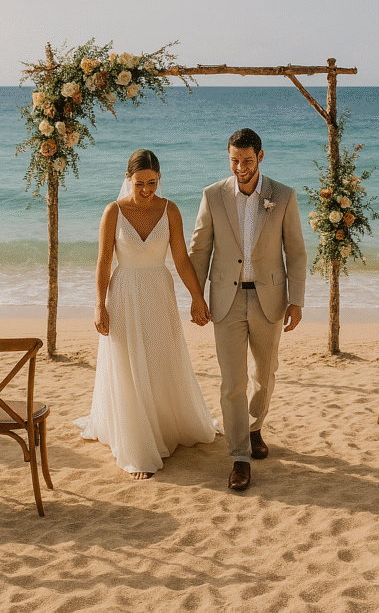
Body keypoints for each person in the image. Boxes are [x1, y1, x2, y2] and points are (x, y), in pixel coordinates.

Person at [74, 149, 217, 480]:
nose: (146, 190)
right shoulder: (113, 212)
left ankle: (164, 429)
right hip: (123, 294)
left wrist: (197, 297)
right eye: (140, 183)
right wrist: (99, 304)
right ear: (128, 179)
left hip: (159, 292)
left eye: (152, 183)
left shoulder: (170, 210)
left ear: (159, 179)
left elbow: (181, 259)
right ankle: (137, 444)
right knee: (128, 363)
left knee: (159, 358)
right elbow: (103, 262)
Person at [189, 128, 307, 491]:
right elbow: (199, 249)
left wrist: (297, 300)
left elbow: (297, 251)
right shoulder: (212, 195)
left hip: (269, 298)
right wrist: (197, 297)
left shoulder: (283, 196)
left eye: (247, 160)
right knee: (232, 382)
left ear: (261, 157)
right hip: (225, 299)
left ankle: (255, 426)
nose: (241, 167)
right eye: (234, 160)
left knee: (265, 374)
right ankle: (239, 456)